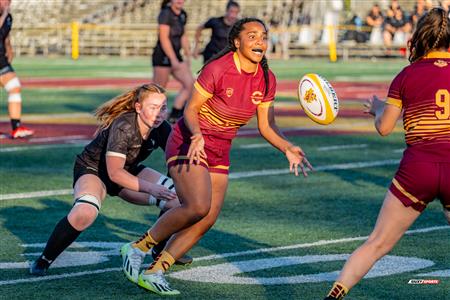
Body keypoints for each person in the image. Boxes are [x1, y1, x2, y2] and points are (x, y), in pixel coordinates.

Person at [120, 17, 313, 296]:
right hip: (189, 140)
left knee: (208, 217)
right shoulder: (218, 68)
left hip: (221, 148)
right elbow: (190, 109)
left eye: (264, 36)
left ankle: (156, 270)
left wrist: (287, 147)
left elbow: (266, 126)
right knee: (197, 206)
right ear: (236, 42)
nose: (260, 41)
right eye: (253, 36)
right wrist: (197, 135)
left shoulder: (267, 79)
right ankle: (137, 248)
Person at [325, 7, 450, 300]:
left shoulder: (406, 75)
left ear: (421, 36)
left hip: (417, 169)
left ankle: (335, 294)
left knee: (377, 243)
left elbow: (384, 127)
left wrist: (379, 108)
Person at [29, 83, 180, 276]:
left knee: (178, 199)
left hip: (128, 171)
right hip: (95, 170)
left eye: (163, 108)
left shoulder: (161, 127)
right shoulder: (124, 125)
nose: (159, 113)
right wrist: (152, 188)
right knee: (85, 212)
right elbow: (115, 173)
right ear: (138, 107)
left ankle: (159, 247)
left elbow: (176, 158)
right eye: (153, 107)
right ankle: (44, 260)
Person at [152, 0, 194, 123]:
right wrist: (173, 60)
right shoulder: (165, 13)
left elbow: (183, 35)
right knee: (158, 90)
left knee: (190, 84)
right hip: (162, 56)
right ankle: (149, 117)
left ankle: (175, 114)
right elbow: (163, 38)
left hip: (176, 55)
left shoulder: (182, 14)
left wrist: (187, 54)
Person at [0, 0, 33, 139]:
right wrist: (4, 14)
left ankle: (17, 127)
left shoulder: (8, 17)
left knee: (14, 87)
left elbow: (5, 35)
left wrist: (9, 47)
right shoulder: (4, 15)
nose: (7, 3)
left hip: (1, 58)